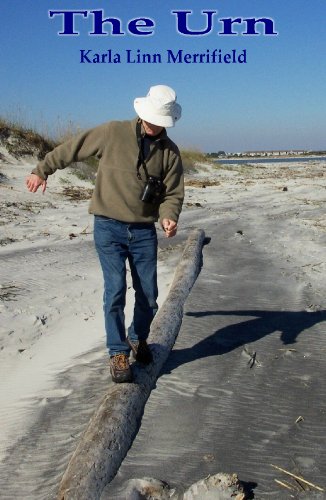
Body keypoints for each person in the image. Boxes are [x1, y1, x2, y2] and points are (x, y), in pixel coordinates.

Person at [26, 84, 184, 383]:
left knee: (149, 296)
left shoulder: (170, 152)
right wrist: (41, 170)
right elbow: (71, 149)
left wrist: (169, 218)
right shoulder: (113, 132)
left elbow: (173, 194)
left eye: (161, 121)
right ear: (142, 113)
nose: (156, 125)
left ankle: (138, 339)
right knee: (115, 290)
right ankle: (117, 351)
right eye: (153, 119)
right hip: (108, 226)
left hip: (143, 231)